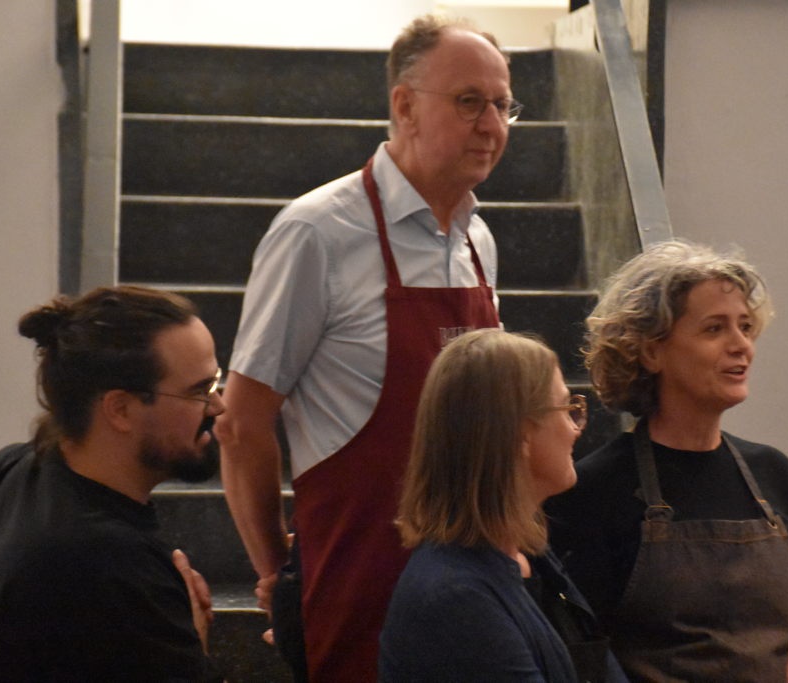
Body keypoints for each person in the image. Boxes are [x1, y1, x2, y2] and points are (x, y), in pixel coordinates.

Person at [215, 13, 517, 682]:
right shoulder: (317, 232)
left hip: (473, 581)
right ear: (404, 106)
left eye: (503, 105)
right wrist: (278, 574)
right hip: (359, 579)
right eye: (470, 102)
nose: (492, 125)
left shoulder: (478, 240)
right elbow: (241, 423)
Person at [546, 240, 788, 682]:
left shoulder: (774, 473)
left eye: (745, 326)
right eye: (715, 329)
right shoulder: (594, 489)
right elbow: (586, 657)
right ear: (650, 351)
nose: (741, 345)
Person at [0, 286, 225, 681]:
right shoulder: (109, 564)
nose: (219, 405)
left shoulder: (17, 466)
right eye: (200, 391)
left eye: (215, 382)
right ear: (120, 409)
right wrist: (194, 634)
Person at [379, 328, 626, 683]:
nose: (576, 428)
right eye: (566, 408)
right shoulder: (456, 600)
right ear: (520, 433)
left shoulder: (529, 556)